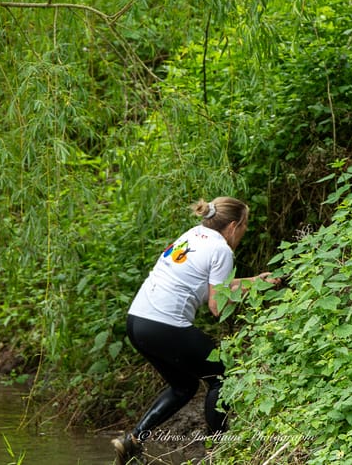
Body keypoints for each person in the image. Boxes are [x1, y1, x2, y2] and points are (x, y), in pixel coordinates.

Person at [111, 196, 278, 465]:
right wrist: (251, 295)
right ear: (233, 226)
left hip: (137, 321)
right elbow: (216, 305)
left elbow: (213, 284)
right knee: (221, 377)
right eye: (245, 225)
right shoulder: (222, 249)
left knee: (184, 386)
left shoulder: (194, 234)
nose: (245, 231)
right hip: (164, 324)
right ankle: (218, 453)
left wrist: (254, 281)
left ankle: (132, 440)